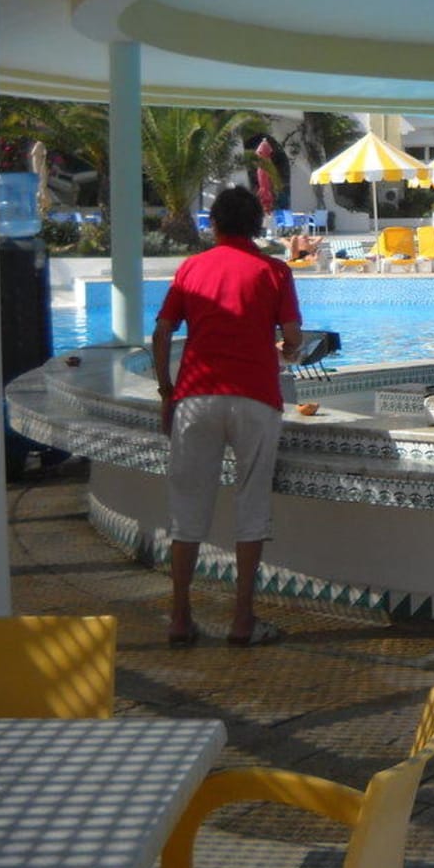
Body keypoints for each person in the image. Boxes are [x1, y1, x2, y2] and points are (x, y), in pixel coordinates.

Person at [151, 186, 303, 649]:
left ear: (214, 223)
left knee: (187, 511)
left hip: (196, 397)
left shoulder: (191, 268)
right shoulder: (274, 271)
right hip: (255, 399)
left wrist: (167, 392)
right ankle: (242, 621)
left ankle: (180, 618)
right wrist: (285, 350)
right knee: (251, 507)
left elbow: (161, 332)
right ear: (256, 225)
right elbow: (293, 337)